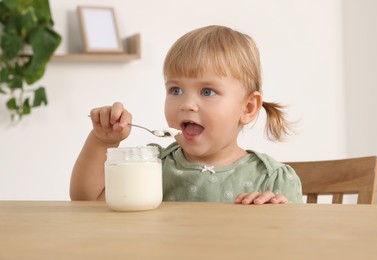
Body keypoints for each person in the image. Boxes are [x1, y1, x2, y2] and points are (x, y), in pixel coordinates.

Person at [70, 25, 303, 204]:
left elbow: (293, 243)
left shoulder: (272, 180)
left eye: (207, 91)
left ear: (248, 108)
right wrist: (101, 141)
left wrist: (273, 217)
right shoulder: (152, 166)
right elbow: (87, 200)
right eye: (176, 90)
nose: (187, 104)